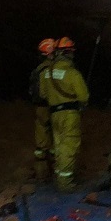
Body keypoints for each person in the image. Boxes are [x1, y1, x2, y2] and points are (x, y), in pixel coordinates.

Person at [39, 36, 89, 192]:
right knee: (69, 147)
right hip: (69, 114)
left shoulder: (45, 73)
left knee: (59, 146)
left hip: (54, 114)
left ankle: (58, 177)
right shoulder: (72, 73)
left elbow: (42, 94)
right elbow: (84, 96)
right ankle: (65, 184)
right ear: (68, 52)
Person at [30, 38, 56, 181]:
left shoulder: (38, 69)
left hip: (39, 108)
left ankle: (40, 175)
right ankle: (52, 173)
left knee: (40, 142)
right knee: (54, 139)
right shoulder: (51, 69)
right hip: (49, 107)